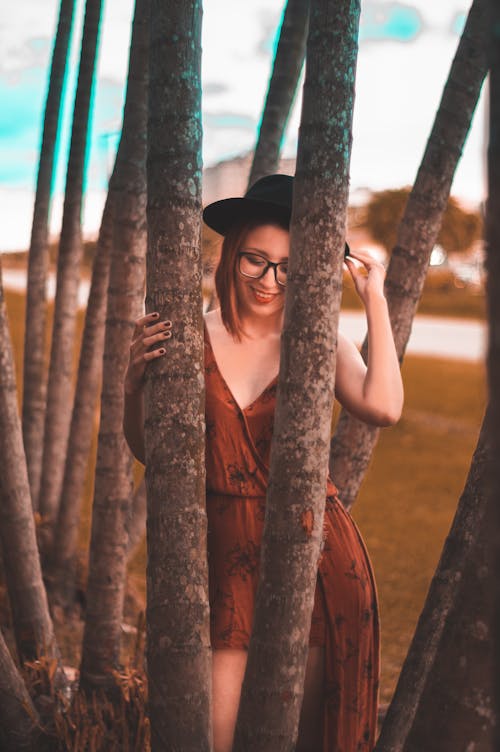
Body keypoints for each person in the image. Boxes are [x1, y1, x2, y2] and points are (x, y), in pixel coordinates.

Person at [123, 174, 404, 752]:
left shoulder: (316, 340)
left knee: (304, 739)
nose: (270, 280)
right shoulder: (187, 337)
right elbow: (152, 454)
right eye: (256, 260)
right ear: (231, 255)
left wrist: (375, 299)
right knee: (216, 739)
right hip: (220, 559)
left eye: (288, 267)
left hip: (315, 557)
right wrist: (133, 383)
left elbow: (384, 407)